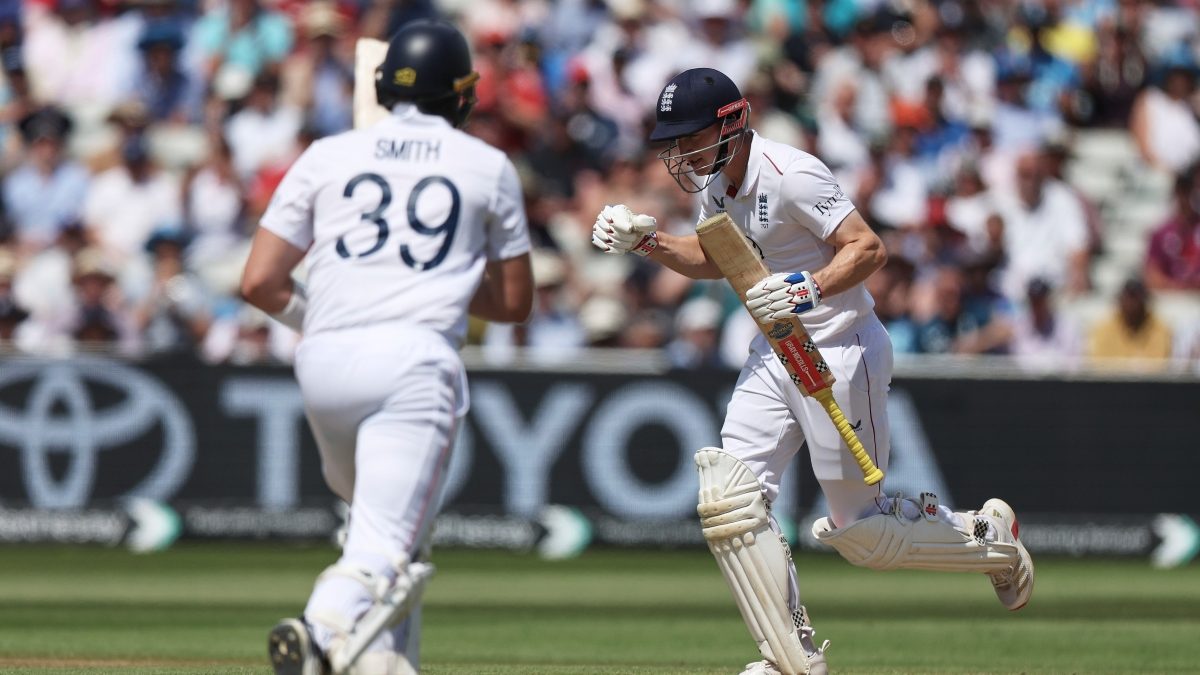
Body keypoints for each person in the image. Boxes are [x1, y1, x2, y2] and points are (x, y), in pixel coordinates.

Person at [591, 68, 1034, 675]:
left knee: (865, 536)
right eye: (675, 141)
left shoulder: (791, 173)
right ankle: (787, 657)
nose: (681, 152)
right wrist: (649, 242)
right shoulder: (718, 185)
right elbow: (716, 257)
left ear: (731, 123)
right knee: (730, 497)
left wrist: (809, 288)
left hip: (839, 349)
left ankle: (991, 539)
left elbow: (868, 248)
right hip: (776, 352)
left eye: (690, 138)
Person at [242, 20, 533, 675]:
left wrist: (318, 313)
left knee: (382, 525)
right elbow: (514, 303)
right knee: (384, 543)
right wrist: (446, 278)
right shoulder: (487, 166)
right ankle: (319, 628)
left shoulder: (326, 154)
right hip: (412, 363)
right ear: (463, 95)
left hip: (321, 359)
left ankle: (382, 661)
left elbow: (258, 280)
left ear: (381, 86)